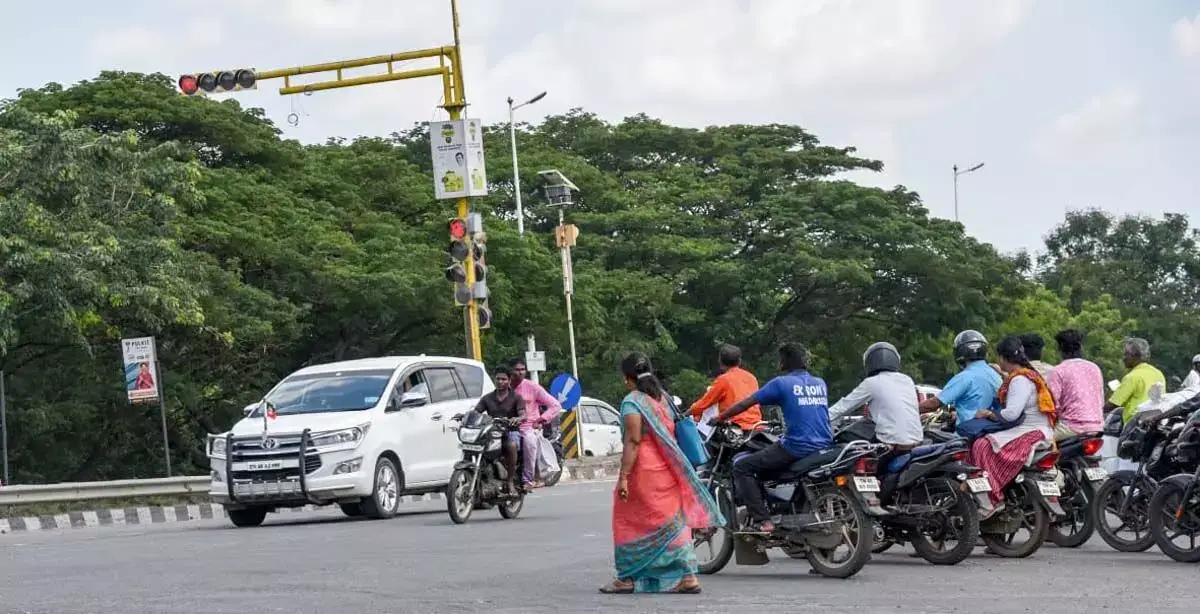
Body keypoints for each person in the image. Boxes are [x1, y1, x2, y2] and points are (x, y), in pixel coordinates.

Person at [600, 352, 724, 594]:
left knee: (630, 521)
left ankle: (627, 578)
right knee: (674, 523)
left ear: (627, 378)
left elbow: (634, 441)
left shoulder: (632, 401)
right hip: (669, 467)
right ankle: (688, 576)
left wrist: (624, 476)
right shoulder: (662, 398)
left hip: (643, 471)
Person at [712, 342, 832, 533]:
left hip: (797, 447)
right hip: (825, 444)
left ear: (784, 362)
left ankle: (763, 521)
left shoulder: (781, 383)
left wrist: (719, 417)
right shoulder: (819, 383)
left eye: (780, 359)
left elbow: (746, 403)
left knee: (742, 467)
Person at [968, 335, 1057, 519]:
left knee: (981, 445)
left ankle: (991, 499)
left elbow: (1011, 414)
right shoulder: (1029, 375)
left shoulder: (1019, 380)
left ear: (1002, 358)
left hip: (1029, 431)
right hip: (1039, 430)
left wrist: (988, 414)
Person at [828, 342, 924, 470]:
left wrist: (817, 420)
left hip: (889, 446)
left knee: (846, 448)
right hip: (916, 443)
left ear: (869, 363)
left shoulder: (872, 383)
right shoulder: (907, 380)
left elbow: (842, 407)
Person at [918, 330, 1002, 435]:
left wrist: (909, 410)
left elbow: (933, 404)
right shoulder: (996, 376)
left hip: (968, 435)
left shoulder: (964, 377)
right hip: (993, 432)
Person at [510, 359, 562, 491]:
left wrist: (541, 420)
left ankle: (529, 478)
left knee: (529, 442)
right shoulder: (504, 387)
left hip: (528, 427)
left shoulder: (533, 387)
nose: (520, 373)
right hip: (507, 427)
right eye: (517, 370)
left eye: (522, 369)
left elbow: (555, 406)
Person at [472, 365, 526, 493]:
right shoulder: (487, 398)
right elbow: (476, 412)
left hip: (509, 431)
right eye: (498, 379)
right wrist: (465, 416)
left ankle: (510, 480)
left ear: (509, 381)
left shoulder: (516, 397)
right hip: (491, 432)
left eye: (503, 379)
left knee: (511, 446)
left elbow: (523, 413)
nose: (500, 382)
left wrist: (518, 419)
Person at [1044, 329, 1104, 441]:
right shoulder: (1094, 368)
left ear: (1060, 349)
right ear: (1081, 347)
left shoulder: (1057, 371)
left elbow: (1052, 405)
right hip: (1097, 427)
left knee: (1037, 443)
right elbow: (1100, 400)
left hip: (1071, 428)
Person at [689, 344, 762, 430]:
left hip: (735, 428)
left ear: (720, 361)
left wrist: (685, 413)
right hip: (757, 427)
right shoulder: (752, 378)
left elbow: (703, 403)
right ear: (739, 361)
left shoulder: (724, 380)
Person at [1104, 337, 1166, 426]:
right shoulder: (1158, 373)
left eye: (1126, 354)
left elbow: (1113, 404)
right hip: (1156, 423)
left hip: (1135, 425)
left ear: (1136, 356)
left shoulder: (1132, 377)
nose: (1123, 358)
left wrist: (1096, 412)